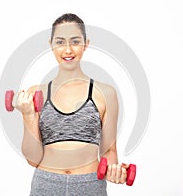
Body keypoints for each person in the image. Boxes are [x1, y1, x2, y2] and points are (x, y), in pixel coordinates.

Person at [13, 13, 129, 196]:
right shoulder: (37, 93)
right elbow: (33, 159)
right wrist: (27, 115)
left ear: (86, 44)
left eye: (75, 41)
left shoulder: (106, 93)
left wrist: (115, 172)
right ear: (51, 44)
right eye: (60, 42)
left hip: (90, 185)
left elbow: (109, 152)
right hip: (46, 184)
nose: (68, 50)